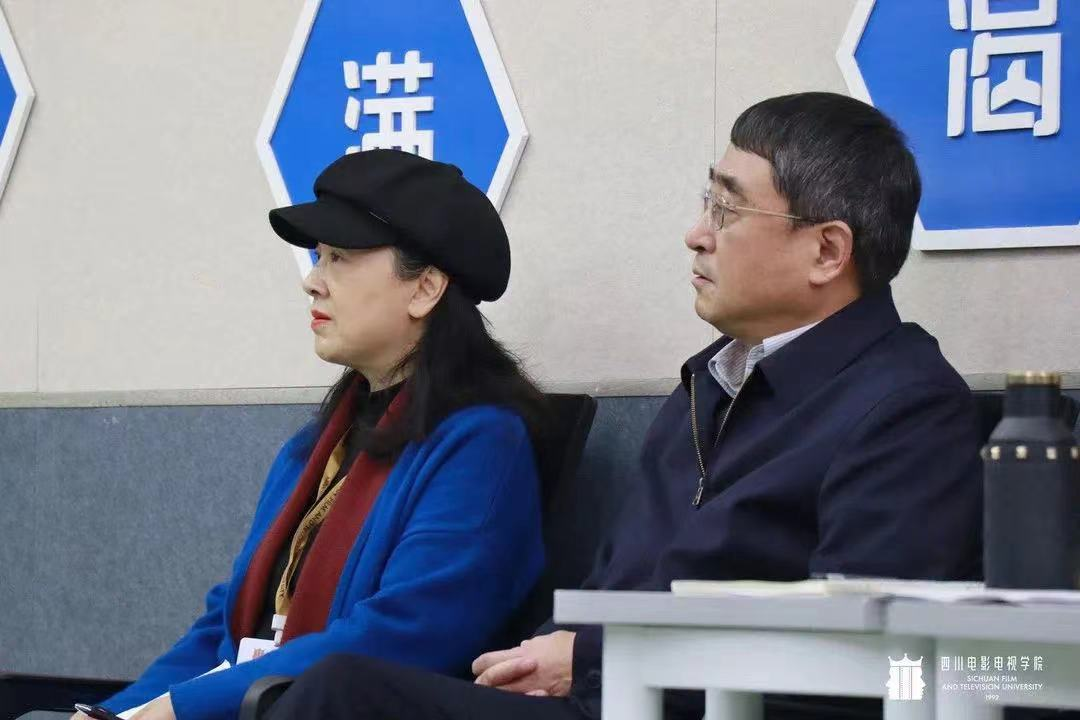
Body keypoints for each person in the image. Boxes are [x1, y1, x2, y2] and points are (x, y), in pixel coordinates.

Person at [261, 92, 984, 720]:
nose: (696, 233)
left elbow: (868, 654)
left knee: (339, 695)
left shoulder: (908, 411)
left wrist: (592, 658)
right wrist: (546, 657)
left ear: (827, 252)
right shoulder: (709, 384)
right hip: (600, 699)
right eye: (706, 202)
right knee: (336, 693)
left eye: (727, 209)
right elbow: (608, 593)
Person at [82, 149, 548, 720]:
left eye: (340, 258)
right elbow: (224, 628)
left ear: (425, 288)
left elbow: (401, 636)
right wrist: (114, 714)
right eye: (318, 256)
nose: (312, 281)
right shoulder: (313, 446)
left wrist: (176, 710)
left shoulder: (481, 445)